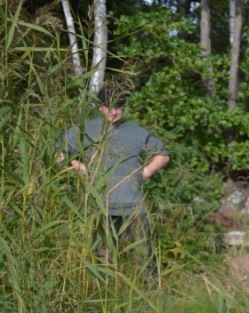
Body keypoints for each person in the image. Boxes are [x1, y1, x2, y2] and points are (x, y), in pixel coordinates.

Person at [62, 85, 169, 279]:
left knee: (144, 259)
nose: (115, 112)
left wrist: (143, 173)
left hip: (134, 208)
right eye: (110, 106)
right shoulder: (85, 130)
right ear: (99, 106)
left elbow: (162, 155)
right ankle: (105, 293)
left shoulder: (136, 132)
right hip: (100, 207)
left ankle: (151, 293)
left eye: (119, 107)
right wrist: (81, 169)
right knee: (103, 262)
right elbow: (58, 154)